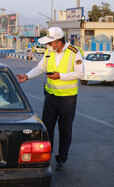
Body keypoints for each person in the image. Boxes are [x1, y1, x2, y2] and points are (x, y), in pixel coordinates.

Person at [16, 27, 84, 171]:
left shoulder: (74, 52)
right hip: (50, 97)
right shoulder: (49, 51)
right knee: (47, 129)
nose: (48, 45)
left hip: (68, 99)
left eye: (50, 43)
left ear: (59, 42)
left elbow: (80, 74)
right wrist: (27, 76)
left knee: (65, 130)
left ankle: (62, 158)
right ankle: (46, 156)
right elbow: (40, 68)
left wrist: (61, 76)